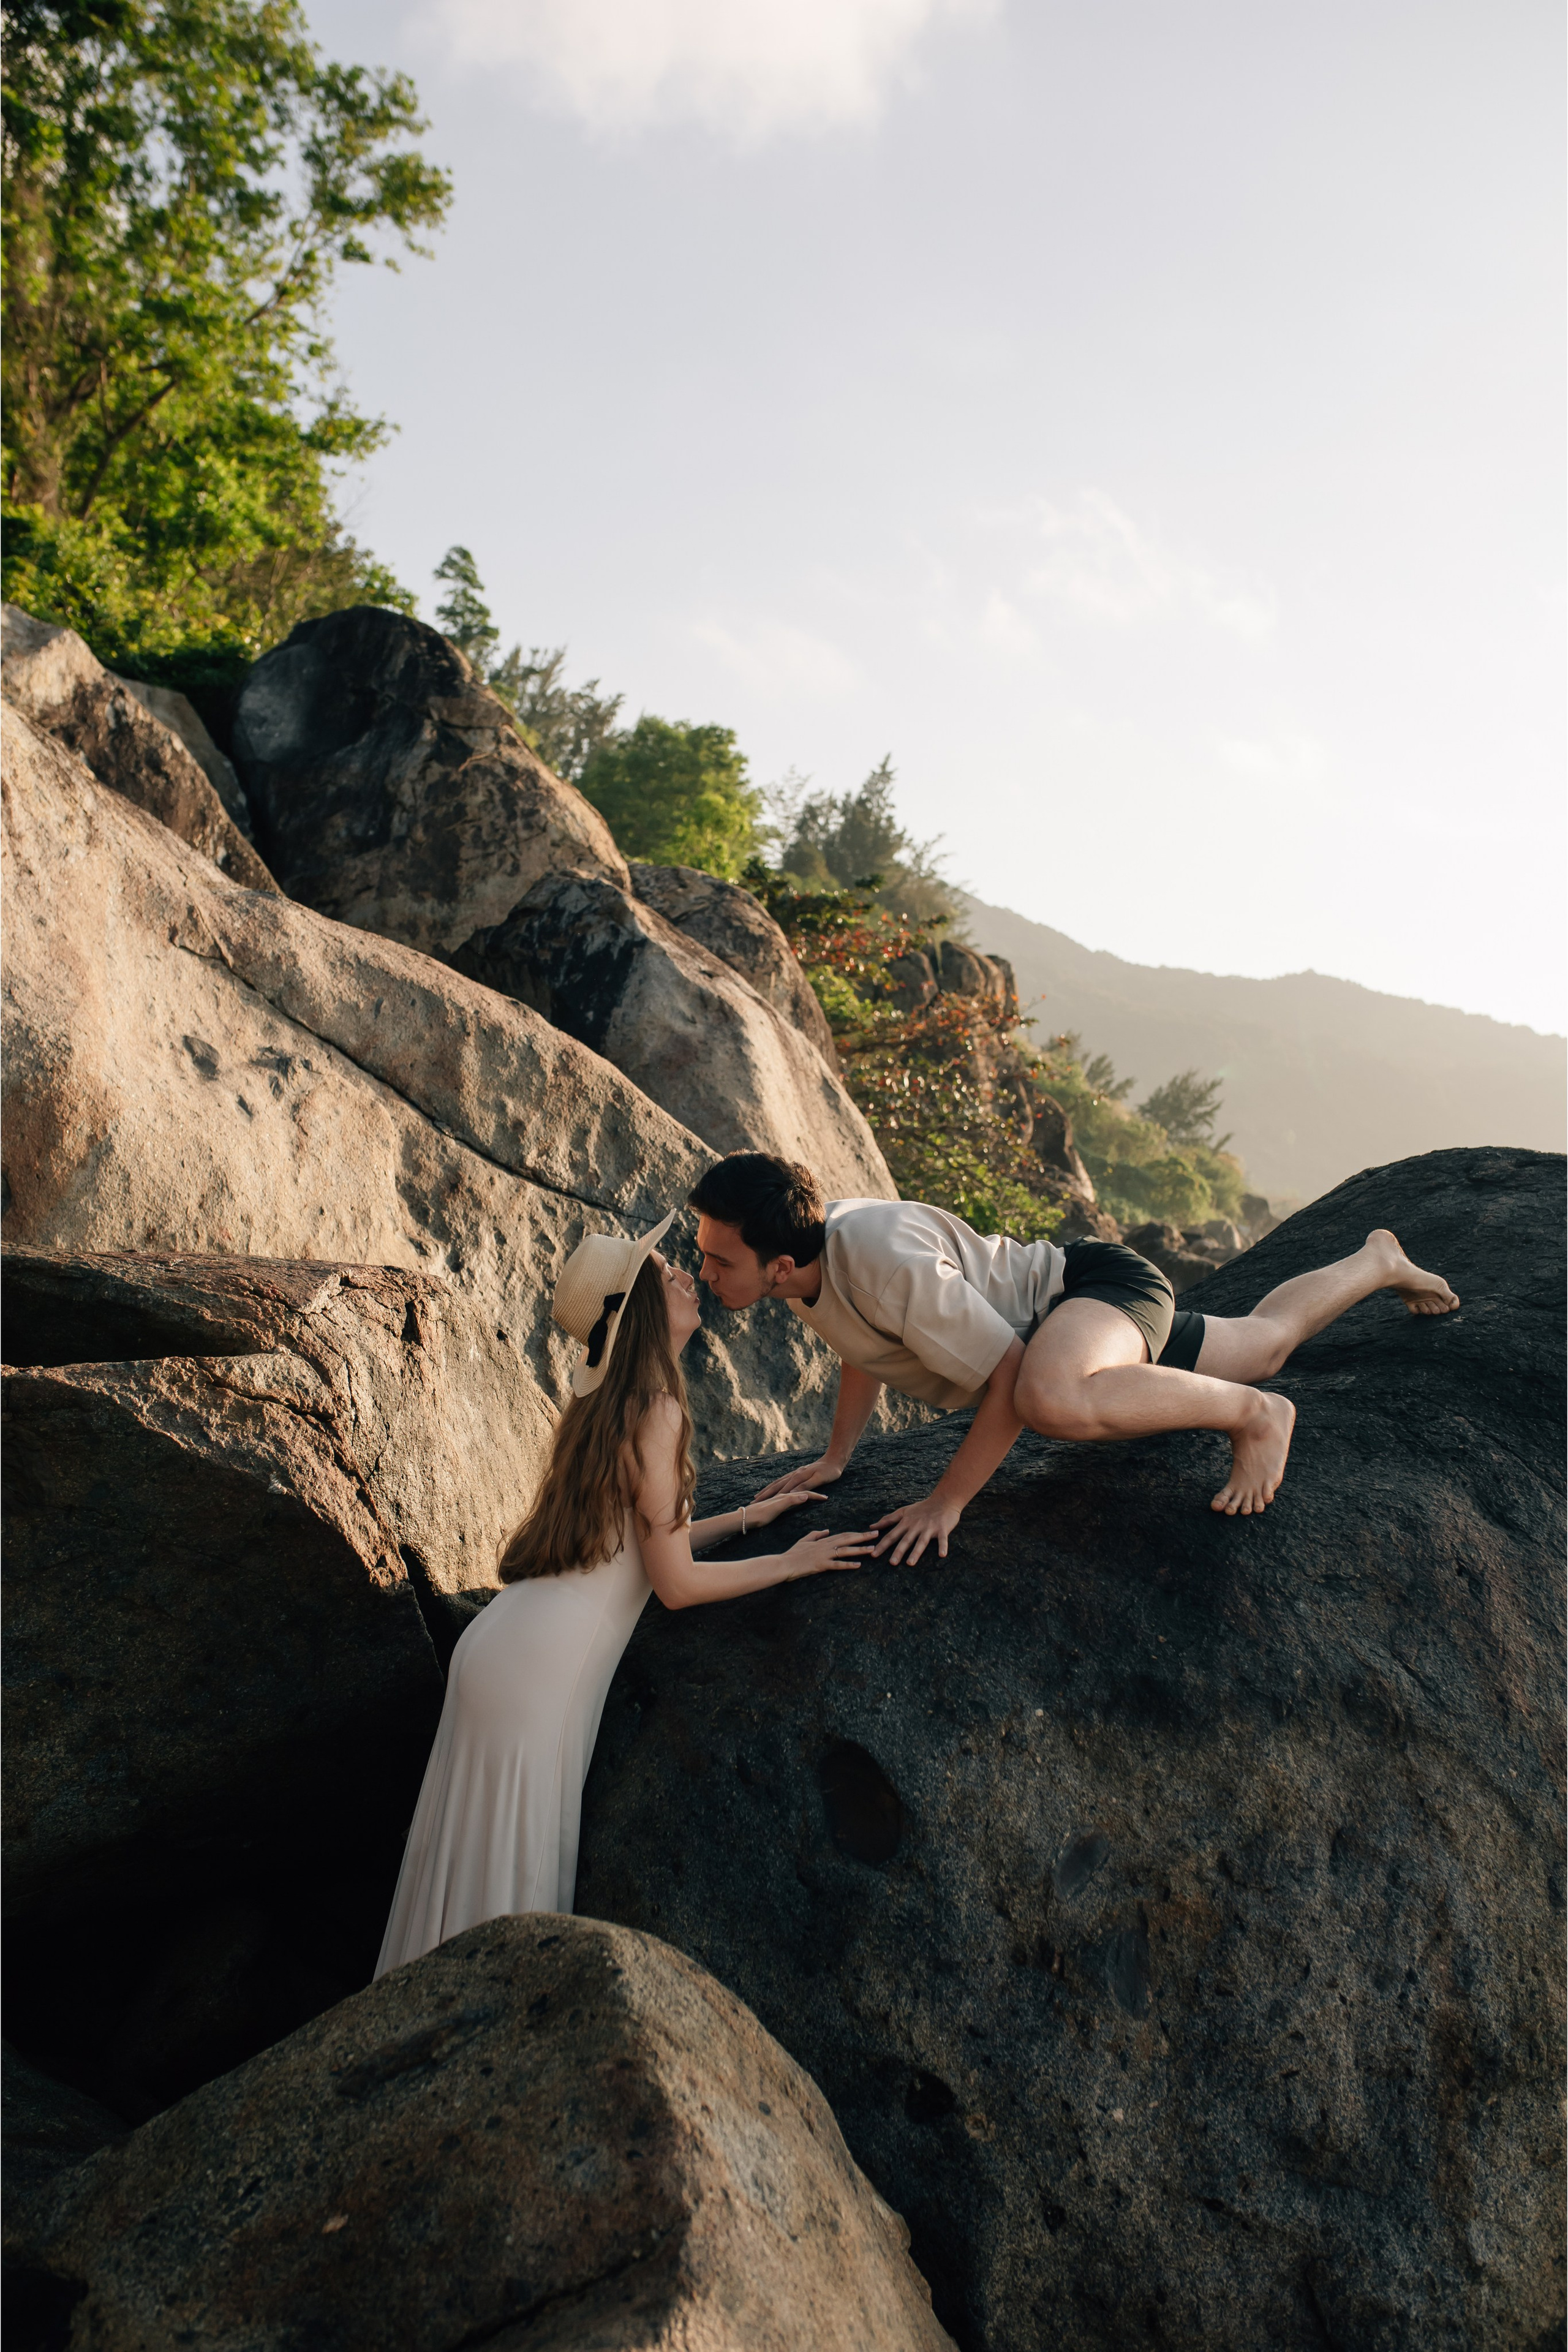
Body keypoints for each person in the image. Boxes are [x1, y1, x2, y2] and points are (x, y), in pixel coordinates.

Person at [375, 1207, 873, 1977]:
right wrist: (791, 1564)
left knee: (459, 1869)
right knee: (509, 1893)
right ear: (642, 1307)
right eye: (665, 1272)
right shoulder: (660, 1412)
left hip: (507, 1643)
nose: (685, 1275)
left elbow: (633, 1549)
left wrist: (747, 1518)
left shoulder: (607, 1401)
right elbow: (672, 1584)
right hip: (545, 1668)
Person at [688, 1154, 1460, 1564]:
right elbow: (866, 1345)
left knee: (1049, 1396)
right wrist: (837, 1455)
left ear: (780, 1265)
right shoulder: (809, 1263)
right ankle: (1376, 1261)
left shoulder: (886, 1264)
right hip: (1082, 1315)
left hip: (1087, 1292)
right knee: (1263, 1343)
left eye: (720, 1262)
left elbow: (1008, 1374)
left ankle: (1259, 1417)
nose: (705, 1275)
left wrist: (945, 1503)